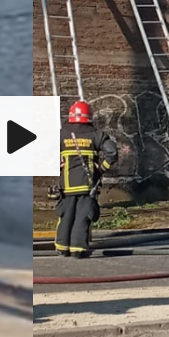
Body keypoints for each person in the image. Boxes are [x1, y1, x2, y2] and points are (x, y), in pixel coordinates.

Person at [54, 100, 117, 258]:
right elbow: (112, 153)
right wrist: (102, 168)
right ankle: (78, 249)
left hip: (66, 186)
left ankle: (62, 247)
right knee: (83, 215)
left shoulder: (61, 134)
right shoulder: (96, 135)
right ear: (89, 117)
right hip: (88, 186)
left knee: (66, 215)